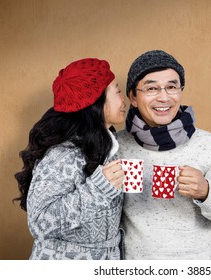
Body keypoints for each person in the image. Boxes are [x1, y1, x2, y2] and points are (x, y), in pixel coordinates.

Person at [116, 50, 211, 259]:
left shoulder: (206, 144)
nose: (164, 97)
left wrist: (206, 192)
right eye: (151, 88)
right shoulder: (118, 146)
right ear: (133, 96)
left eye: (171, 87)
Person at [14, 58, 126, 260]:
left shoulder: (107, 146)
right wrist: (98, 189)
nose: (123, 98)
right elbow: (40, 224)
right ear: (96, 103)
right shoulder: (62, 155)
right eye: (117, 90)